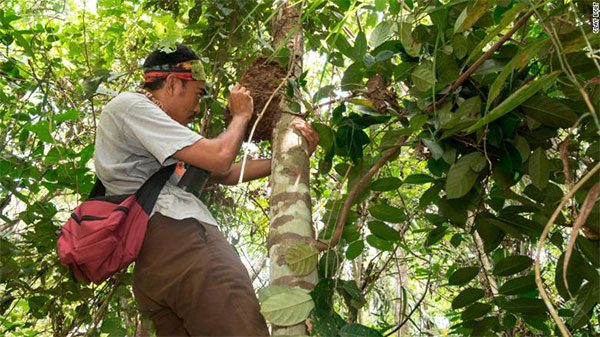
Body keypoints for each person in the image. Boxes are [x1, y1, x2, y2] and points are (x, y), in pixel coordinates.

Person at [93, 44, 319, 336]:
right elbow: (220, 156)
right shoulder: (132, 106)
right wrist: (241, 116)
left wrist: (291, 153)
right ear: (174, 83)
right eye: (197, 93)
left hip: (153, 265)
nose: (198, 107)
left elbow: (224, 172)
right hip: (182, 242)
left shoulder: (154, 134)